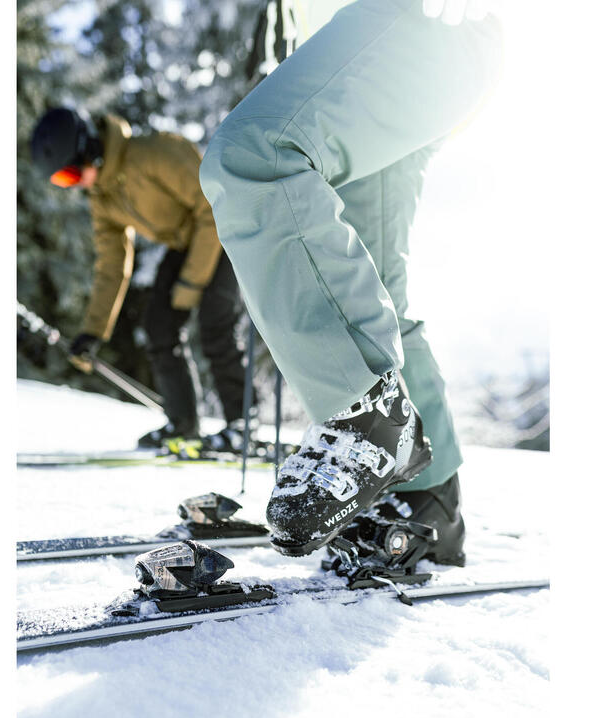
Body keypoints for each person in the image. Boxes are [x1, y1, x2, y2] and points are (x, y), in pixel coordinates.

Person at [199, 0, 502, 560]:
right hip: (376, 43)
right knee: (371, 285)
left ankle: (366, 417)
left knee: (255, 154)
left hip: (417, 24)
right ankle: (428, 503)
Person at [29, 107, 255, 452]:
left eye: (72, 173)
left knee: (216, 326)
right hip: (184, 242)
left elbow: (212, 204)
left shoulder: (153, 152)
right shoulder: (101, 197)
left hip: (225, 228)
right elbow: (112, 262)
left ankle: (243, 427)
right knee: (159, 328)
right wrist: (93, 331)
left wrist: (191, 283)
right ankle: (184, 425)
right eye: (64, 181)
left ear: (88, 146)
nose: (77, 185)